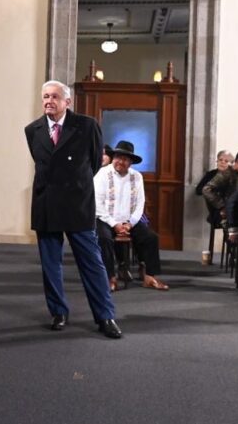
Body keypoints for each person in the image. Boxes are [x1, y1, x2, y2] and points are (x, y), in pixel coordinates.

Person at [23, 80, 121, 338]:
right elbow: (42, 163)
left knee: (92, 263)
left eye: (55, 96)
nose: (48, 101)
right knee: (50, 264)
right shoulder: (32, 130)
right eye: (45, 96)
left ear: (67, 101)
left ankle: (105, 316)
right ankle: (58, 312)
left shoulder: (87, 125)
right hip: (46, 203)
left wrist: (76, 184)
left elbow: (94, 163)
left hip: (78, 203)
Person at [94, 141, 169, 291]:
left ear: (131, 162)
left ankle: (150, 277)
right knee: (104, 239)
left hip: (129, 221)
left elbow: (139, 205)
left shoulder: (137, 177)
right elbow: (98, 204)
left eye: (125, 159)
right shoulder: (102, 174)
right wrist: (114, 224)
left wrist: (129, 224)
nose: (120, 161)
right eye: (118, 157)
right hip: (105, 219)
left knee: (150, 237)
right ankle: (109, 278)